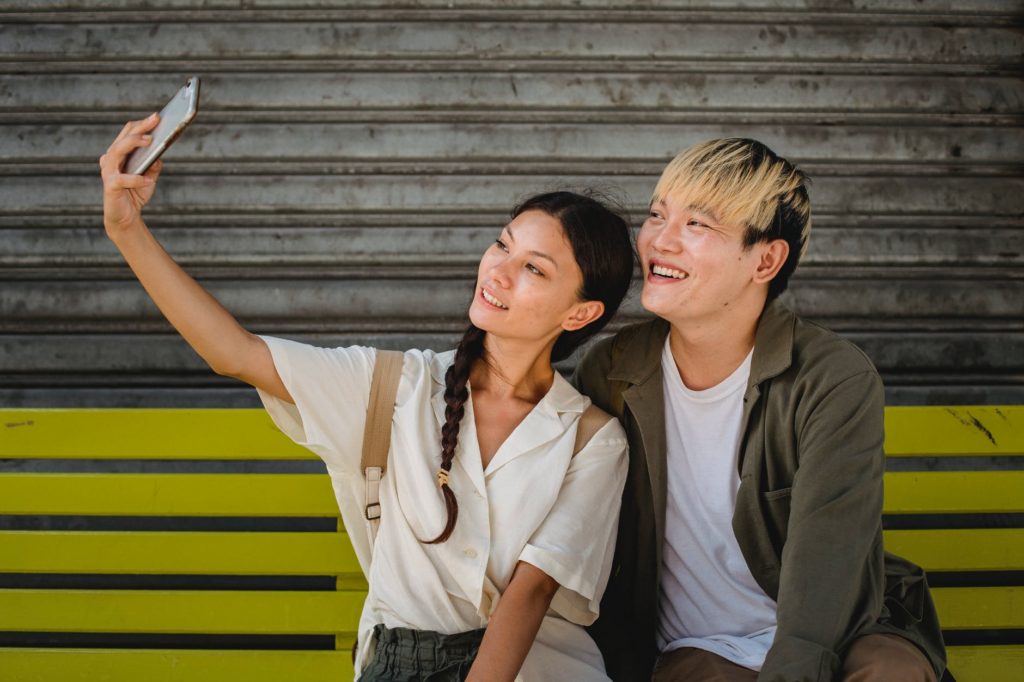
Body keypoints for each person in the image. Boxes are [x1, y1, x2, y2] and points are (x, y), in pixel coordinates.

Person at [99, 114, 635, 681]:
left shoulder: (592, 439)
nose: (498, 272)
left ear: (580, 313)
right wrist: (126, 229)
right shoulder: (391, 387)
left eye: (532, 268)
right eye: (502, 244)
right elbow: (236, 353)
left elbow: (531, 594)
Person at [572, 138, 947, 682]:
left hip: (848, 629)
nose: (660, 241)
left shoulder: (830, 376)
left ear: (766, 259)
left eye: (697, 225)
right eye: (657, 214)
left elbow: (831, 558)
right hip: (697, 645)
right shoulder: (612, 368)